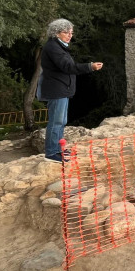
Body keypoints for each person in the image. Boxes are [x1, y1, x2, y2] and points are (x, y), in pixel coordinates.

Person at [40, 19, 103, 163]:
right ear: (56, 33)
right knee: (56, 122)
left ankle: (58, 149)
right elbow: (68, 67)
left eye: (71, 32)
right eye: (66, 32)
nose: (70, 35)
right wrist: (90, 67)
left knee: (61, 121)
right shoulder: (53, 47)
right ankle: (52, 152)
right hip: (57, 91)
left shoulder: (59, 46)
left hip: (61, 89)